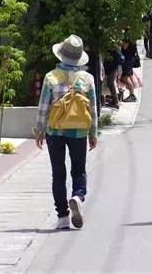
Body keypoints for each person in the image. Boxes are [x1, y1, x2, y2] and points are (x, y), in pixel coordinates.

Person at [34, 35, 98, 230]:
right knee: (78, 169)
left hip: (55, 131)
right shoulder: (87, 79)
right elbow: (93, 109)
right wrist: (93, 133)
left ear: (61, 55)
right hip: (78, 131)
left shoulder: (51, 77)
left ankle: (62, 217)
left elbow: (43, 107)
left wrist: (39, 130)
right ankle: (77, 196)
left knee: (58, 173)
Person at [120, 36, 139, 103]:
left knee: (125, 77)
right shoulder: (133, 34)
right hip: (130, 58)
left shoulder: (128, 35)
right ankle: (131, 93)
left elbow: (125, 46)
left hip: (127, 59)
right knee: (128, 76)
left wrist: (118, 43)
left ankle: (132, 94)